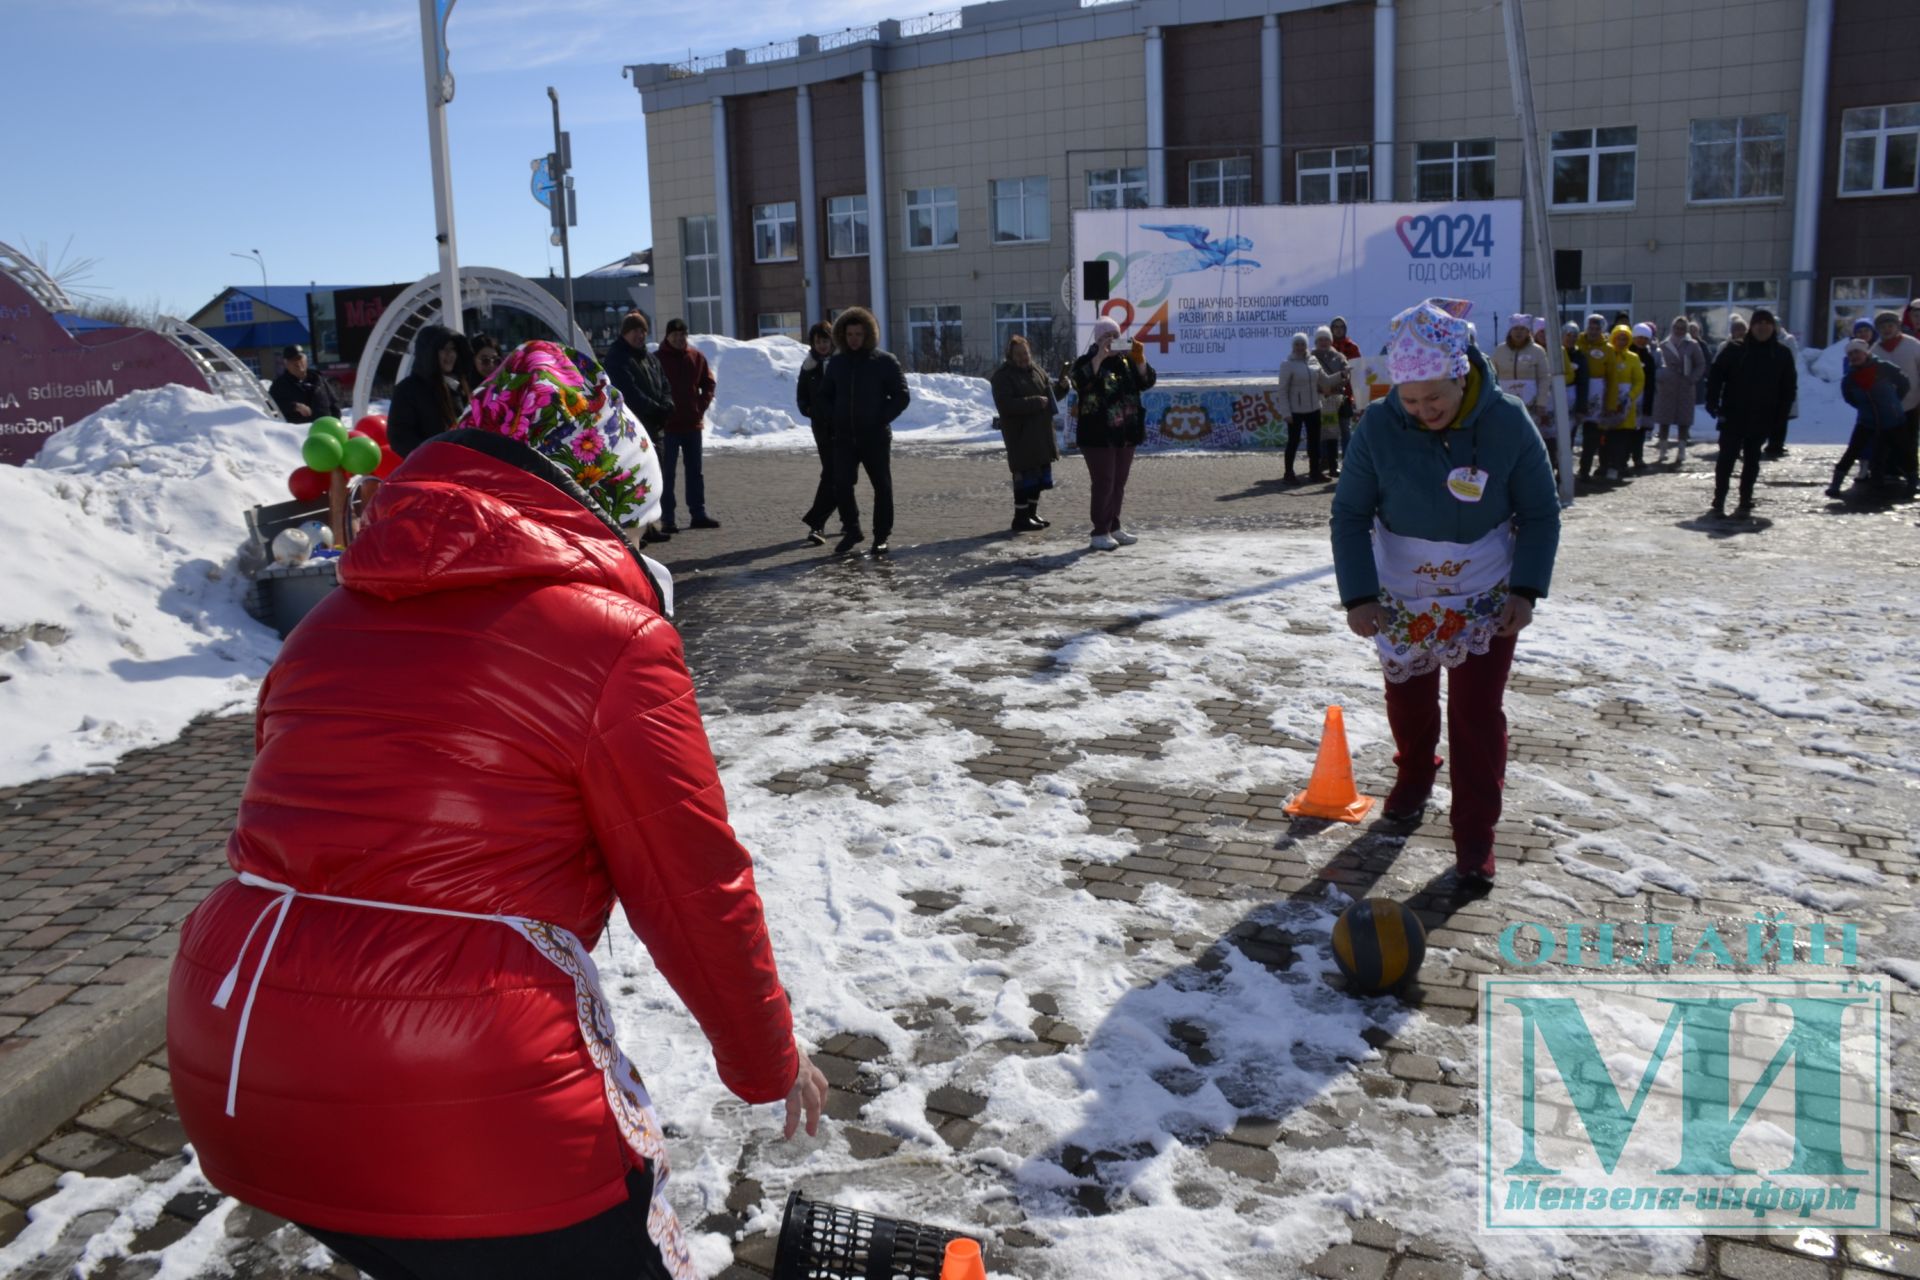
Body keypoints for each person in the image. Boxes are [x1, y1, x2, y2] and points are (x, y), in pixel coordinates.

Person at [166, 339, 830, 1280]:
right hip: (454, 1086)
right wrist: (768, 1062)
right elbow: (693, 886)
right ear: (596, 502)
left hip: (233, 1061)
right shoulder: (611, 641)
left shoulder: (322, 627)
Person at [1330, 298, 1560, 893]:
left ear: (1462, 376)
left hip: (1485, 593)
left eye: (1435, 397)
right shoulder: (1379, 425)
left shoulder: (1507, 421)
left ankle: (1475, 835)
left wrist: (1527, 590)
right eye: (1410, 398)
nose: (1423, 410)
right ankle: (1412, 777)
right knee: (1408, 700)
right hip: (1403, 594)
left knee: (1476, 716)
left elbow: (1539, 512)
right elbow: (1350, 513)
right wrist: (1358, 595)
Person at [813, 306, 910, 556]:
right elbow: (823, 395)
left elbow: (901, 396)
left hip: (875, 437)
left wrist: (881, 418)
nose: (854, 339)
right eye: (849, 334)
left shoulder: (884, 361)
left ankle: (881, 536)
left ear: (868, 334)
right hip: (844, 436)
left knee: (882, 486)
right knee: (841, 484)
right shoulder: (837, 363)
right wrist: (833, 416)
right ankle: (853, 528)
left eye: (859, 333)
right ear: (842, 336)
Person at [1072, 316, 1157, 550]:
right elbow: (1079, 381)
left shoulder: (1126, 362)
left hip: (1126, 433)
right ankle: (1099, 531)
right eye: (1105, 337)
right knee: (1104, 482)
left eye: (1115, 336)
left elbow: (1147, 381)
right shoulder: (1086, 361)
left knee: (1118, 482)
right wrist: (1099, 356)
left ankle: (1114, 527)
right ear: (1097, 340)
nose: (1111, 341)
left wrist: (1140, 360)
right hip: (1097, 435)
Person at [1705, 308, 1797, 519]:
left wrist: (1781, 416)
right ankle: (1719, 498)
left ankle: (1746, 497)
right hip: (1733, 413)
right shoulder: (1734, 349)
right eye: (1758, 323)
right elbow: (1716, 375)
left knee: (1752, 459)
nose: (1762, 327)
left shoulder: (1781, 354)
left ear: (1773, 327)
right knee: (1726, 458)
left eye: (1767, 323)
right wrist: (1712, 401)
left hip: (1762, 415)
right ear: (1751, 326)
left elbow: (1789, 388)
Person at [604, 312, 676, 542]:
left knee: (655, 478)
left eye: (643, 330)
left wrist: (667, 404)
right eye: (635, 330)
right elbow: (629, 392)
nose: (640, 334)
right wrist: (656, 408)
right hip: (631, 431)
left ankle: (651, 526)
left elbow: (664, 383)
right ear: (624, 333)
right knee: (634, 482)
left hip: (655, 428)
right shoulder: (617, 358)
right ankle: (634, 531)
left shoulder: (650, 358)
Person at [991, 334, 1066, 532]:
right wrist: (1034, 402)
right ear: (1010, 356)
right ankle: (1020, 518)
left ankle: (1031, 514)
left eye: (1026, 353)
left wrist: (1062, 389)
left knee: (1038, 479)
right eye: (1019, 354)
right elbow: (1005, 405)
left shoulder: (1037, 371)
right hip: (1021, 437)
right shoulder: (1003, 376)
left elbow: (1050, 398)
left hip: (1041, 436)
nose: (1023, 357)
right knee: (1024, 478)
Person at [656, 319, 721, 532]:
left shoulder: (696, 357)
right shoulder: (657, 359)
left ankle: (698, 513)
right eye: (674, 335)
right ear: (667, 336)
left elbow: (708, 383)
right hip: (669, 427)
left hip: (693, 425)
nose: (679, 338)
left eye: (682, 334)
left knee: (695, 472)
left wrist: (700, 405)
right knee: (667, 474)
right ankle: (667, 518)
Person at [1829, 339, 1912, 498]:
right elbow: (1849, 398)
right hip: (1867, 421)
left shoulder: (1884, 368)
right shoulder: (1850, 378)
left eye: (1857, 352)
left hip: (1892, 418)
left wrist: (1894, 402)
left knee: (1903, 450)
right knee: (1853, 451)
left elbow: (1904, 383)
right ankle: (1835, 484)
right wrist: (1865, 409)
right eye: (1851, 354)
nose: (1854, 356)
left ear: (1866, 353)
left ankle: (1912, 482)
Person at [386, 326, 474, 458]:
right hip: (432, 470)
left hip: (467, 466)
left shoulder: (462, 386)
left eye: (453, 349)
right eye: (443, 349)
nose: (450, 355)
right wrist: (435, 457)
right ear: (428, 353)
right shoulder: (408, 390)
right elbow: (401, 438)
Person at [794, 321, 838, 545]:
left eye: (825, 340)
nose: (822, 345)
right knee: (833, 473)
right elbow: (801, 396)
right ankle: (820, 524)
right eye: (817, 341)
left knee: (840, 475)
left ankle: (820, 521)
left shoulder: (841, 363)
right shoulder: (809, 366)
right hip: (821, 428)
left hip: (843, 427)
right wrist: (808, 409)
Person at [1873, 310, 1920, 500]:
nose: (1887, 330)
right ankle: (1890, 470)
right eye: (1883, 327)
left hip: (1912, 401)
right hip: (1887, 406)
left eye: (1890, 326)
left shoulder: (1913, 345)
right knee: (1888, 439)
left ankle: (1910, 472)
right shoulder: (1875, 350)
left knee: (1909, 439)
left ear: (1897, 326)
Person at [1592, 325, 1645, 483]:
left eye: (1624, 338)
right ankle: (1603, 465)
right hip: (1606, 399)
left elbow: (1639, 380)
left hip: (1625, 403)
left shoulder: (1633, 358)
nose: (1621, 341)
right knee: (1604, 436)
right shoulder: (1607, 354)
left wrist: (1630, 396)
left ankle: (1617, 465)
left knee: (1621, 438)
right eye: (1618, 338)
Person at [1651, 316, 1707, 465]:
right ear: (1672, 328)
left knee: (1684, 420)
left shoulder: (1692, 345)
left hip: (1685, 387)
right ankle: (1663, 449)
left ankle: (1681, 449)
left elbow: (1701, 364)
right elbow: (1655, 364)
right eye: (1677, 327)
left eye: (1683, 328)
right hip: (1666, 387)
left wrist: (1692, 379)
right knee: (1664, 419)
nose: (1679, 330)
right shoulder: (1663, 345)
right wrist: (1660, 376)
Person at [1491, 315, 1553, 441]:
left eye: (1522, 329)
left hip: (1530, 403)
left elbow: (1544, 378)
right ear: (1510, 331)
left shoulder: (1538, 351)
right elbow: (1492, 376)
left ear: (1528, 331)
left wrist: (1541, 402)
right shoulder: (1500, 350)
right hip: (1505, 401)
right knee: (1506, 435)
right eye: (1515, 329)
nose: (1518, 332)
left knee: (1527, 436)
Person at [1278, 332, 1328, 483]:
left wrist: (1342, 375)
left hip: (1314, 408)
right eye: (1297, 344)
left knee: (1314, 442)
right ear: (1293, 346)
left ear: (1307, 346)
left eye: (1302, 344)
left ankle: (1315, 472)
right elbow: (1282, 390)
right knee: (1293, 442)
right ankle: (1288, 473)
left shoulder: (1313, 360)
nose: (1300, 347)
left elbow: (1325, 380)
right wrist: (1286, 412)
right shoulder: (1287, 364)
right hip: (1295, 411)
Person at [1313, 326, 1352, 478]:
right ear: (1316, 341)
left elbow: (1346, 375)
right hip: (1320, 399)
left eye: (1326, 339)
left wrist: (1335, 387)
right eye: (1320, 339)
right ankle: (1325, 461)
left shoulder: (1339, 356)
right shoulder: (1310, 357)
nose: (1323, 342)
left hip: (1338, 399)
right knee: (1323, 432)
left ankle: (1347, 461)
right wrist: (1322, 389)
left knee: (1343, 431)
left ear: (1331, 341)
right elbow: (1309, 377)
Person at [269, 345, 340, 425]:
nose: (297, 363)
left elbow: (334, 404)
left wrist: (337, 423)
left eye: (299, 358)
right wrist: (294, 406)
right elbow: (272, 406)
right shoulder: (280, 385)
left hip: (327, 429)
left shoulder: (318, 379)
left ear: (305, 359)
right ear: (286, 364)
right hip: (300, 433)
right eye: (292, 360)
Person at [1329, 316, 1364, 456]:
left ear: (1345, 329)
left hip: (1346, 395)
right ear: (1331, 329)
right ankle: (1328, 462)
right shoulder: (1325, 346)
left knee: (1345, 429)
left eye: (1341, 327)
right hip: (1328, 395)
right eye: (1335, 327)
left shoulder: (1352, 347)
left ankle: (1348, 461)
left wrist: (1358, 394)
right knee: (1328, 430)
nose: (1338, 330)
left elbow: (1358, 371)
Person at [1629, 323, 1658, 473]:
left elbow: (1651, 382)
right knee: (1626, 428)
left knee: (1639, 430)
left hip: (1643, 396)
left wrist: (1648, 403)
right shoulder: (1626, 353)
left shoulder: (1649, 358)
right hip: (1628, 394)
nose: (1641, 341)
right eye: (1639, 338)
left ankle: (1638, 457)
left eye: (1645, 338)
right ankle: (1622, 457)